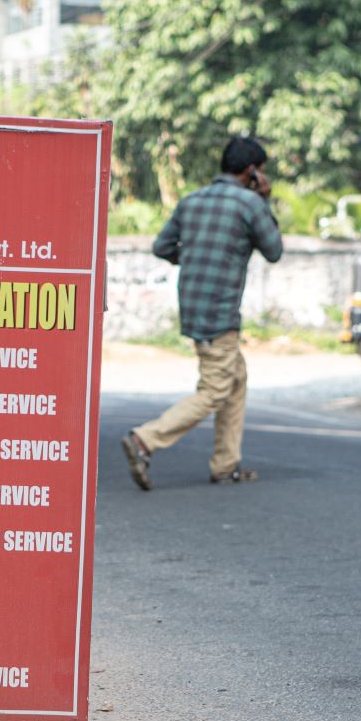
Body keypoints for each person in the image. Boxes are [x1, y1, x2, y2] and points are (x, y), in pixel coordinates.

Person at [120, 136, 283, 490]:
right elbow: (274, 250)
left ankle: (225, 464)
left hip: (193, 307)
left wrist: (193, 257)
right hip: (220, 312)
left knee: (235, 379)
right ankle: (145, 439)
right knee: (214, 390)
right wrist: (265, 200)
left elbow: (162, 246)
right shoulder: (250, 203)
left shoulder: (192, 200)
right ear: (252, 172)